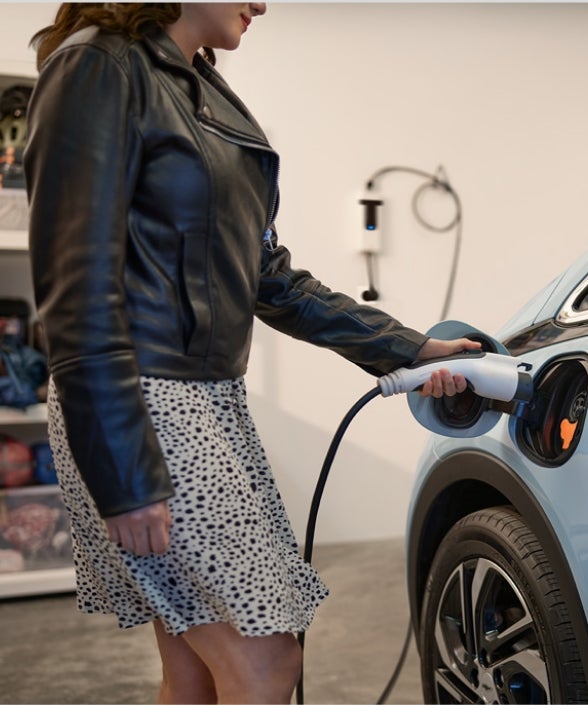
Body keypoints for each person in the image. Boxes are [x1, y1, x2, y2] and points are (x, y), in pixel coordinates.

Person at [24, 4, 480, 703]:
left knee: (196, 668)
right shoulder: (99, 66)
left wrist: (408, 349)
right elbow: (74, 285)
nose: (263, 3)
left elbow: (271, 277)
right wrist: (122, 465)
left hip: (208, 400)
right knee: (265, 661)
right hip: (142, 402)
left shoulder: (202, 88)